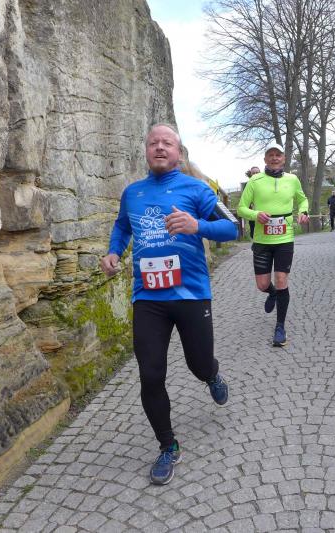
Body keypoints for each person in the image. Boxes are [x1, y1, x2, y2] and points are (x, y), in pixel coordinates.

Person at [100, 123, 238, 485]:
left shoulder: (198, 190)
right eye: (153, 143)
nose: (160, 148)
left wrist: (197, 226)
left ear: (178, 152)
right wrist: (114, 252)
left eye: (167, 143)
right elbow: (122, 227)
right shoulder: (132, 193)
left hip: (191, 294)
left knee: (198, 364)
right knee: (150, 374)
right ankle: (167, 445)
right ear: (146, 150)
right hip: (148, 298)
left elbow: (233, 228)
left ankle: (211, 374)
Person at [237, 144, 309, 347]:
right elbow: (241, 208)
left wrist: (303, 212)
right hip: (262, 240)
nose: (275, 158)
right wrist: (255, 214)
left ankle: (280, 327)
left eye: (278, 155)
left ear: (284, 159)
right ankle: (272, 292)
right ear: (265, 159)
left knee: (281, 279)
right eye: (271, 155)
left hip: (285, 238)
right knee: (262, 284)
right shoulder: (255, 181)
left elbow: (303, 200)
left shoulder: (292, 179)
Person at [244, 166, 261, 238]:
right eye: (253, 173)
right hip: (252, 211)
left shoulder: (265, 183)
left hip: (264, 210)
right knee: (253, 231)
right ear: (251, 174)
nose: (255, 174)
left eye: (257, 172)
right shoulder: (247, 185)